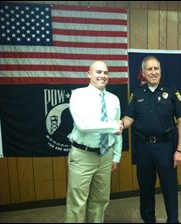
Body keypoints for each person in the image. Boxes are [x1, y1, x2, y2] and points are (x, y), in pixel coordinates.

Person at [121, 56, 181, 223]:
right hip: (143, 148)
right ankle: (148, 220)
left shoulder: (171, 92)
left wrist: (180, 149)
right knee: (145, 188)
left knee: (170, 188)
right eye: (149, 69)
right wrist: (120, 125)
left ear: (160, 71)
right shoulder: (136, 93)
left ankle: (173, 220)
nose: (153, 72)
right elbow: (129, 118)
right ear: (143, 72)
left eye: (156, 68)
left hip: (166, 147)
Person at [65, 61, 123, 223]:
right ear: (89, 74)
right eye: (98, 72)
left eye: (105, 73)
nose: (102, 76)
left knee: (100, 201)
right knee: (77, 203)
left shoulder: (114, 99)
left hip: (106, 156)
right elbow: (82, 125)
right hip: (83, 156)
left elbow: (118, 131)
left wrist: (116, 156)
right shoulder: (78, 95)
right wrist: (112, 126)